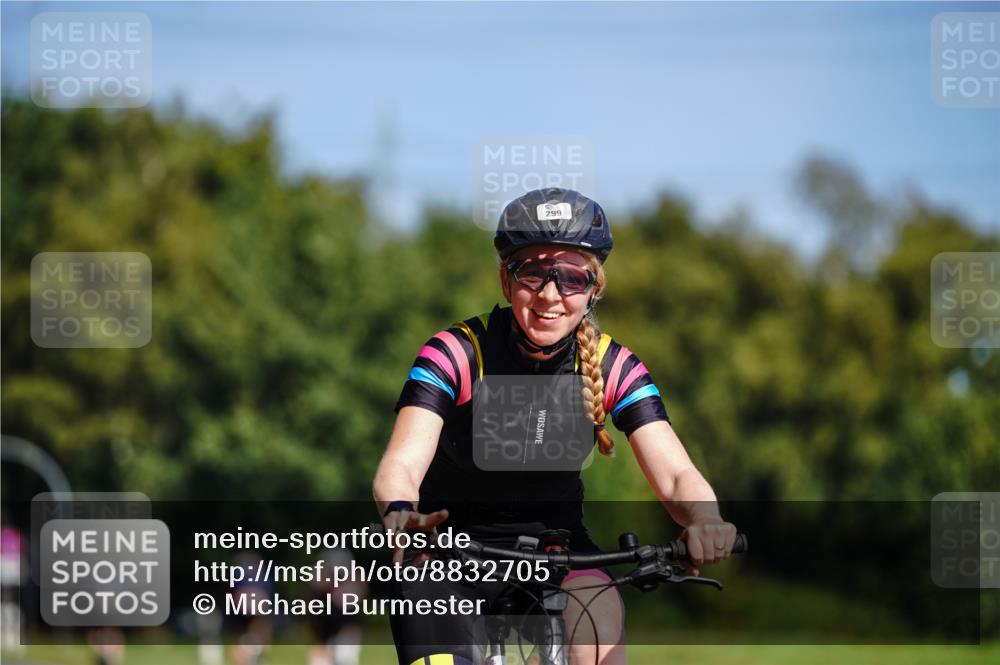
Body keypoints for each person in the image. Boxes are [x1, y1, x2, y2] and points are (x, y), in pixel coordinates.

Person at [373, 188, 738, 665]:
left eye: (570, 277)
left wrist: (705, 519)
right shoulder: (457, 353)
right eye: (531, 273)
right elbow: (399, 465)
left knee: (600, 634)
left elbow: (675, 476)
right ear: (506, 282)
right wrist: (402, 512)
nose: (550, 295)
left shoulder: (613, 366)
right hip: (446, 554)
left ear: (593, 289)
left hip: (561, 554)